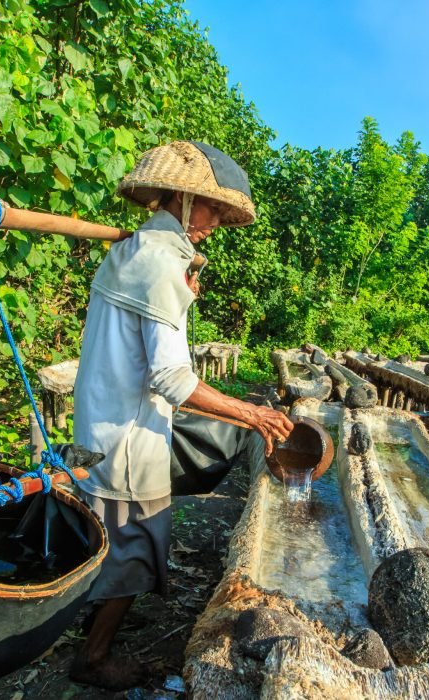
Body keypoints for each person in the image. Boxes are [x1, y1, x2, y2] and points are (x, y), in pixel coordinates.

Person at [69, 141, 293, 690]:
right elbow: (170, 378)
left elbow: (140, 334)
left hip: (97, 418)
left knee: (101, 533)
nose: (215, 224)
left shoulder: (132, 252)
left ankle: (95, 619)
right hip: (127, 434)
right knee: (135, 547)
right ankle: (95, 658)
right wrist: (253, 415)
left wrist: (183, 296)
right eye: (214, 210)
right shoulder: (163, 261)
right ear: (187, 200)